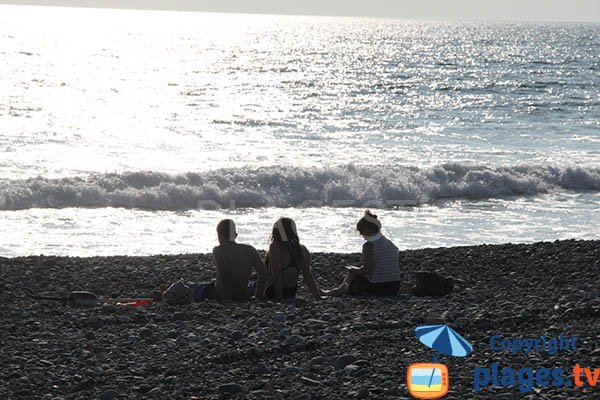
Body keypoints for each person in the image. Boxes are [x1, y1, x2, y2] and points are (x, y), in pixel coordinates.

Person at [324, 210, 401, 297]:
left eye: (361, 232)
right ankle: (340, 289)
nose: (361, 235)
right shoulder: (391, 244)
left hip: (378, 287)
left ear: (368, 230)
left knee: (353, 273)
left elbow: (367, 270)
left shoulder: (369, 245)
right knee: (357, 269)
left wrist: (353, 270)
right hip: (394, 286)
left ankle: (339, 290)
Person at [262, 217, 324, 301]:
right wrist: (318, 297)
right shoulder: (302, 249)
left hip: (272, 291)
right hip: (291, 292)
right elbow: (308, 276)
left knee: (251, 286)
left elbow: (277, 274)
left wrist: (278, 299)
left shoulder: (276, 247)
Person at [211, 219, 268, 301]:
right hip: (243, 293)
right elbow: (264, 273)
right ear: (235, 235)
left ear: (219, 235)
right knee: (252, 285)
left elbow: (224, 274)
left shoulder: (218, 250)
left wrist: (227, 299)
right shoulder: (250, 250)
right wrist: (258, 296)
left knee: (197, 288)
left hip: (221, 294)